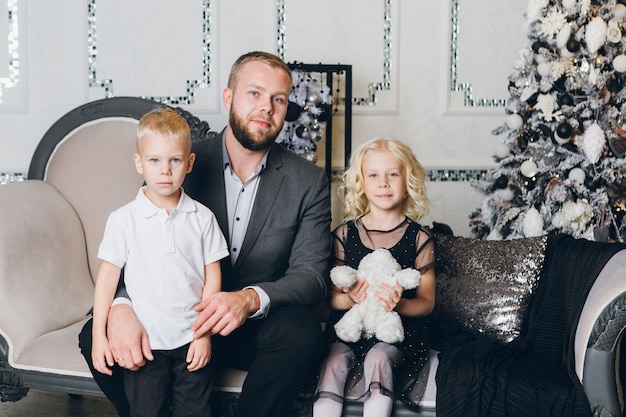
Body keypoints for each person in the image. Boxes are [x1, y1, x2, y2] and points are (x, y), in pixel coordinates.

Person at [79, 50, 331, 417]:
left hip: (246, 327)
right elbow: (135, 242)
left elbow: (311, 277)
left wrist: (247, 300)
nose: (267, 108)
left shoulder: (307, 180)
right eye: (255, 93)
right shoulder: (177, 161)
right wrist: (120, 307)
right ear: (228, 97)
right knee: (93, 335)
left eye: (278, 99)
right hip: (171, 318)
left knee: (302, 335)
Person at [91, 107, 229, 417]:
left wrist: (203, 335)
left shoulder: (203, 218)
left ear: (189, 163)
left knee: (194, 412)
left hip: (190, 342)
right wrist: (100, 336)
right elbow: (107, 282)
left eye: (175, 160)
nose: (165, 170)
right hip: (145, 345)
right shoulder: (124, 219)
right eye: (154, 160)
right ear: (139, 163)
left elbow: (213, 281)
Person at [313, 137, 436, 416]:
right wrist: (350, 299)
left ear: (408, 181)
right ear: (361, 183)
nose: (383, 183)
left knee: (379, 357)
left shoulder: (419, 238)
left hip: (396, 333)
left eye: (393, 174)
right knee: (332, 361)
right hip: (348, 329)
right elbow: (331, 298)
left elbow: (427, 301)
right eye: (374, 175)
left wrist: (399, 304)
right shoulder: (344, 235)